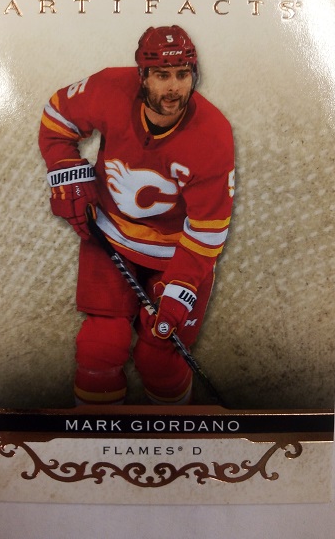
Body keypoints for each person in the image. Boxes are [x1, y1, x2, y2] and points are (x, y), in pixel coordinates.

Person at [39, 25, 234, 406]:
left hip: (177, 254)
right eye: (162, 75)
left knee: (159, 359)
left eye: (182, 74)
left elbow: (208, 229)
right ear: (141, 75)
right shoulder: (109, 88)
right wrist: (66, 169)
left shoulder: (213, 135)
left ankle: (172, 436)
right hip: (110, 236)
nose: (173, 87)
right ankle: (94, 437)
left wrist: (180, 288)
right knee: (100, 348)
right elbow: (57, 115)